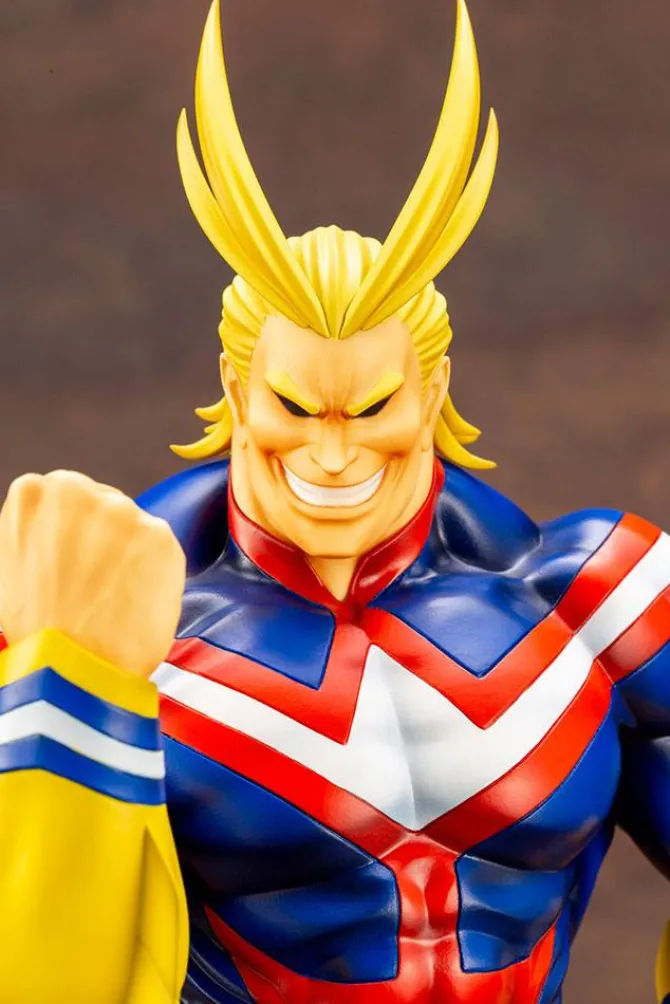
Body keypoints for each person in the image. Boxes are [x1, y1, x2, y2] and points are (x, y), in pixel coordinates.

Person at [1, 1, 669, 1002]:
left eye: (370, 407)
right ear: (235, 390)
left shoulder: (594, 600)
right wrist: (69, 677)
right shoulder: (112, 617)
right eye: (294, 406)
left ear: (432, 393)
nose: (331, 450)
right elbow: (42, 978)